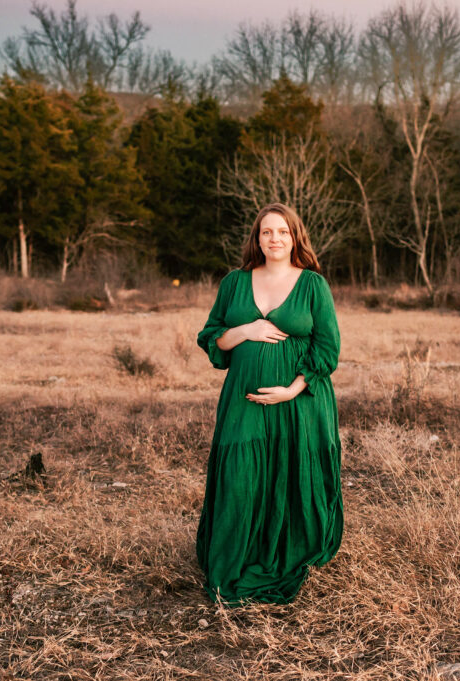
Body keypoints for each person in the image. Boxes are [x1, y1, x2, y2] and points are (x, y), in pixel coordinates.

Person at [195, 202, 343, 606]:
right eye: (266, 232)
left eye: (282, 232)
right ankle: (237, 556)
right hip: (242, 400)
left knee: (290, 472)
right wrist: (246, 329)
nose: (273, 239)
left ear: (295, 237)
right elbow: (213, 340)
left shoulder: (313, 285)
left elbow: (328, 349)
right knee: (240, 475)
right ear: (256, 238)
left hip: (300, 404)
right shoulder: (234, 282)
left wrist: (292, 389)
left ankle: (288, 551)